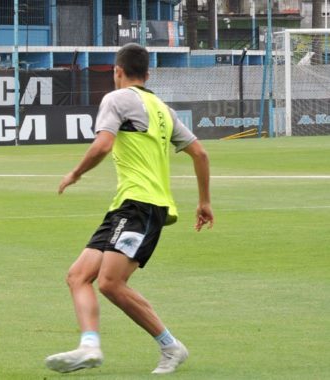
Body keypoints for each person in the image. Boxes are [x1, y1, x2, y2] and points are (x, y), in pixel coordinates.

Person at [45, 43, 213, 375]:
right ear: (148, 74)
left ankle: (170, 346)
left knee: (109, 282)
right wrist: (204, 201)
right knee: (78, 276)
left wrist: (75, 173)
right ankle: (89, 346)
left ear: (117, 71)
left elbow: (103, 144)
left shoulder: (116, 98)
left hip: (140, 205)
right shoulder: (162, 108)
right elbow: (200, 154)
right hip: (128, 205)